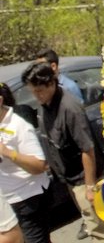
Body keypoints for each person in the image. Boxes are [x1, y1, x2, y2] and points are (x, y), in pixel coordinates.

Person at [21, 62, 104, 242]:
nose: (36, 96)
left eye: (39, 91)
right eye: (33, 92)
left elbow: (87, 149)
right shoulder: (44, 105)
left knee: (99, 230)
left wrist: (90, 186)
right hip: (69, 179)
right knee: (103, 223)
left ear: (51, 84)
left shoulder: (70, 108)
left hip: (85, 178)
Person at [0, 83, 49, 243]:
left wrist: (8, 153)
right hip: (7, 200)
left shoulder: (18, 125)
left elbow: (39, 166)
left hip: (28, 198)